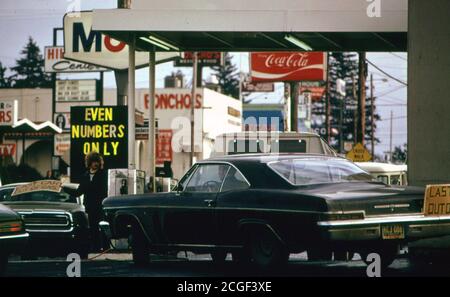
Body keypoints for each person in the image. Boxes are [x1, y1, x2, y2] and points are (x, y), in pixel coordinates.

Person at [72, 152, 108, 252]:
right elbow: (79, 191)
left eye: (97, 162)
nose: (96, 164)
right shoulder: (85, 175)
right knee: (92, 228)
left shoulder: (103, 175)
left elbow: (104, 190)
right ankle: (95, 248)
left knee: (102, 226)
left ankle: (105, 247)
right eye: (93, 162)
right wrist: (65, 189)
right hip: (90, 206)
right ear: (89, 163)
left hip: (101, 205)